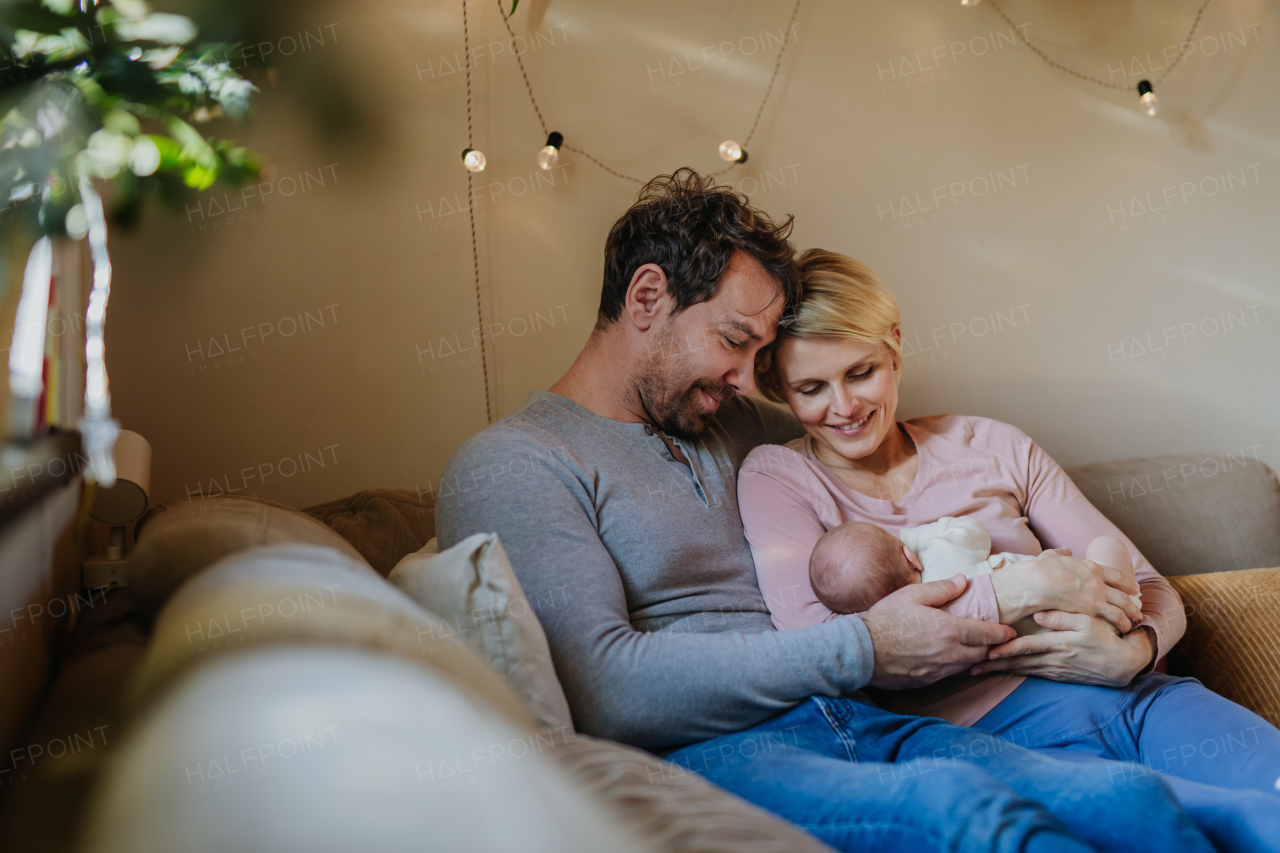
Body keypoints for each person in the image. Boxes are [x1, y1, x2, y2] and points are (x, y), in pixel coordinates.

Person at [436, 170, 1217, 853]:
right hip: (723, 751)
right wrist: (866, 647)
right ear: (647, 297)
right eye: (735, 341)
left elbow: (873, 446)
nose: (750, 379)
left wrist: (1048, 581)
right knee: (966, 815)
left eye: (762, 353)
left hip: (875, 720)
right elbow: (608, 686)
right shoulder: (517, 462)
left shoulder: (731, 420)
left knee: (1127, 799)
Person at [738, 247, 1280, 852]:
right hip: (997, 743)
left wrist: (1137, 651)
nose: (844, 407)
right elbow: (819, 652)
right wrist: (1014, 592)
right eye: (811, 387)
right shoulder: (778, 478)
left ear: (894, 347)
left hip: (1136, 695)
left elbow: (1151, 585)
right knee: (1202, 828)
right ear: (777, 388)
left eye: (861, 372)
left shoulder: (991, 444)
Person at [809, 518, 1137, 637]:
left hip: (1052, 640)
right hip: (1088, 607)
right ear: (908, 554)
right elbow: (973, 531)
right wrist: (912, 537)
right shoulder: (941, 552)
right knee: (1105, 546)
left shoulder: (919, 625)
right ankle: (1129, 609)